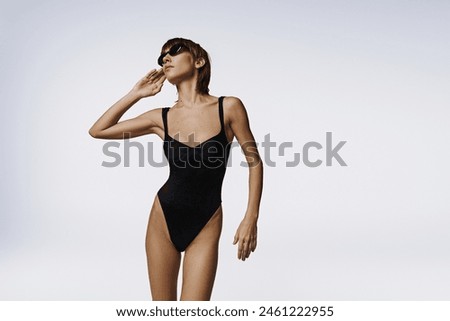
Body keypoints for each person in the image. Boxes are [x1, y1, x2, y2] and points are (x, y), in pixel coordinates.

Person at [89, 37, 263, 300]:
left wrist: (251, 217)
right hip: (163, 218)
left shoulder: (228, 107)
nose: (165, 59)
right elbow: (98, 130)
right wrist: (136, 93)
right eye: (161, 57)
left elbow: (255, 163)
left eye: (174, 51)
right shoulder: (161, 118)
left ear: (198, 61)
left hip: (207, 220)